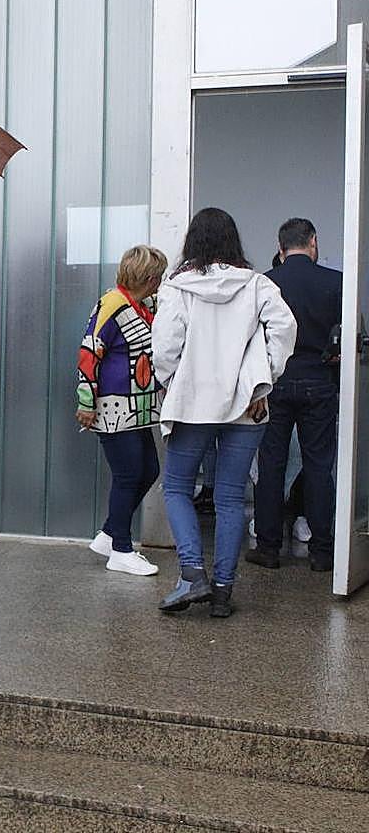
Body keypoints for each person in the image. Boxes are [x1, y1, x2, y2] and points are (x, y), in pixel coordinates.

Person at [152, 208, 296, 618]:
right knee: (232, 498)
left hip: (194, 402)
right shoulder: (257, 285)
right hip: (245, 404)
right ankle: (221, 592)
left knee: (178, 488)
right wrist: (264, 377)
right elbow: (285, 329)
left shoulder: (178, 287)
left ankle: (192, 573)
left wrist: (171, 381)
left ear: (192, 242)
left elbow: (164, 346)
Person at [251, 218, 341, 572]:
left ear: (280, 246)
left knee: (271, 465)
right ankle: (322, 551)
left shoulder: (265, 284)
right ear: (313, 242)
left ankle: (269, 547)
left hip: (276, 381)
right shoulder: (336, 282)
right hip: (320, 381)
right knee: (319, 465)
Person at [76, 245, 166, 577]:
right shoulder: (112, 304)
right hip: (114, 408)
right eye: (159, 276)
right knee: (128, 475)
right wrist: (86, 402)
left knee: (149, 469)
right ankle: (121, 550)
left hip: (140, 408)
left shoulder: (146, 305)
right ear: (150, 277)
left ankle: (111, 532)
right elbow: (89, 353)